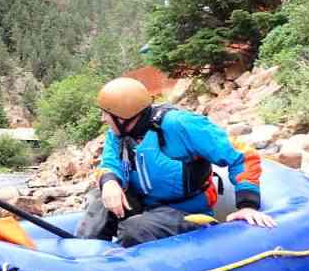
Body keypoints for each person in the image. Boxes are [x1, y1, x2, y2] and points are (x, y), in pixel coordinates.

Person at [77, 77, 275, 247]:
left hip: (188, 213)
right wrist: (110, 182)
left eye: (106, 113)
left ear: (124, 116)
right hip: (148, 207)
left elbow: (243, 156)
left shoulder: (180, 125)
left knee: (135, 228)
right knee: (99, 200)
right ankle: (85, 259)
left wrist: (247, 205)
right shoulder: (118, 134)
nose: (103, 119)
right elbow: (110, 164)